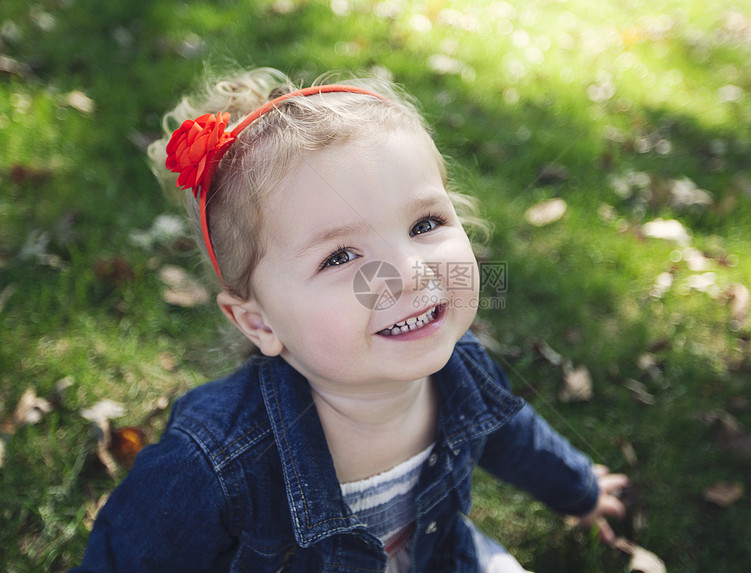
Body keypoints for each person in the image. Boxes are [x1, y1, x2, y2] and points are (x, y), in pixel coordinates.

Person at [74, 67, 628, 572]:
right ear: (260, 323)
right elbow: (127, 559)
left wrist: (577, 487)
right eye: (341, 257)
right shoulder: (211, 463)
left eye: (425, 224)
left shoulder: (464, 372)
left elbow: (512, 435)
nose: (408, 273)